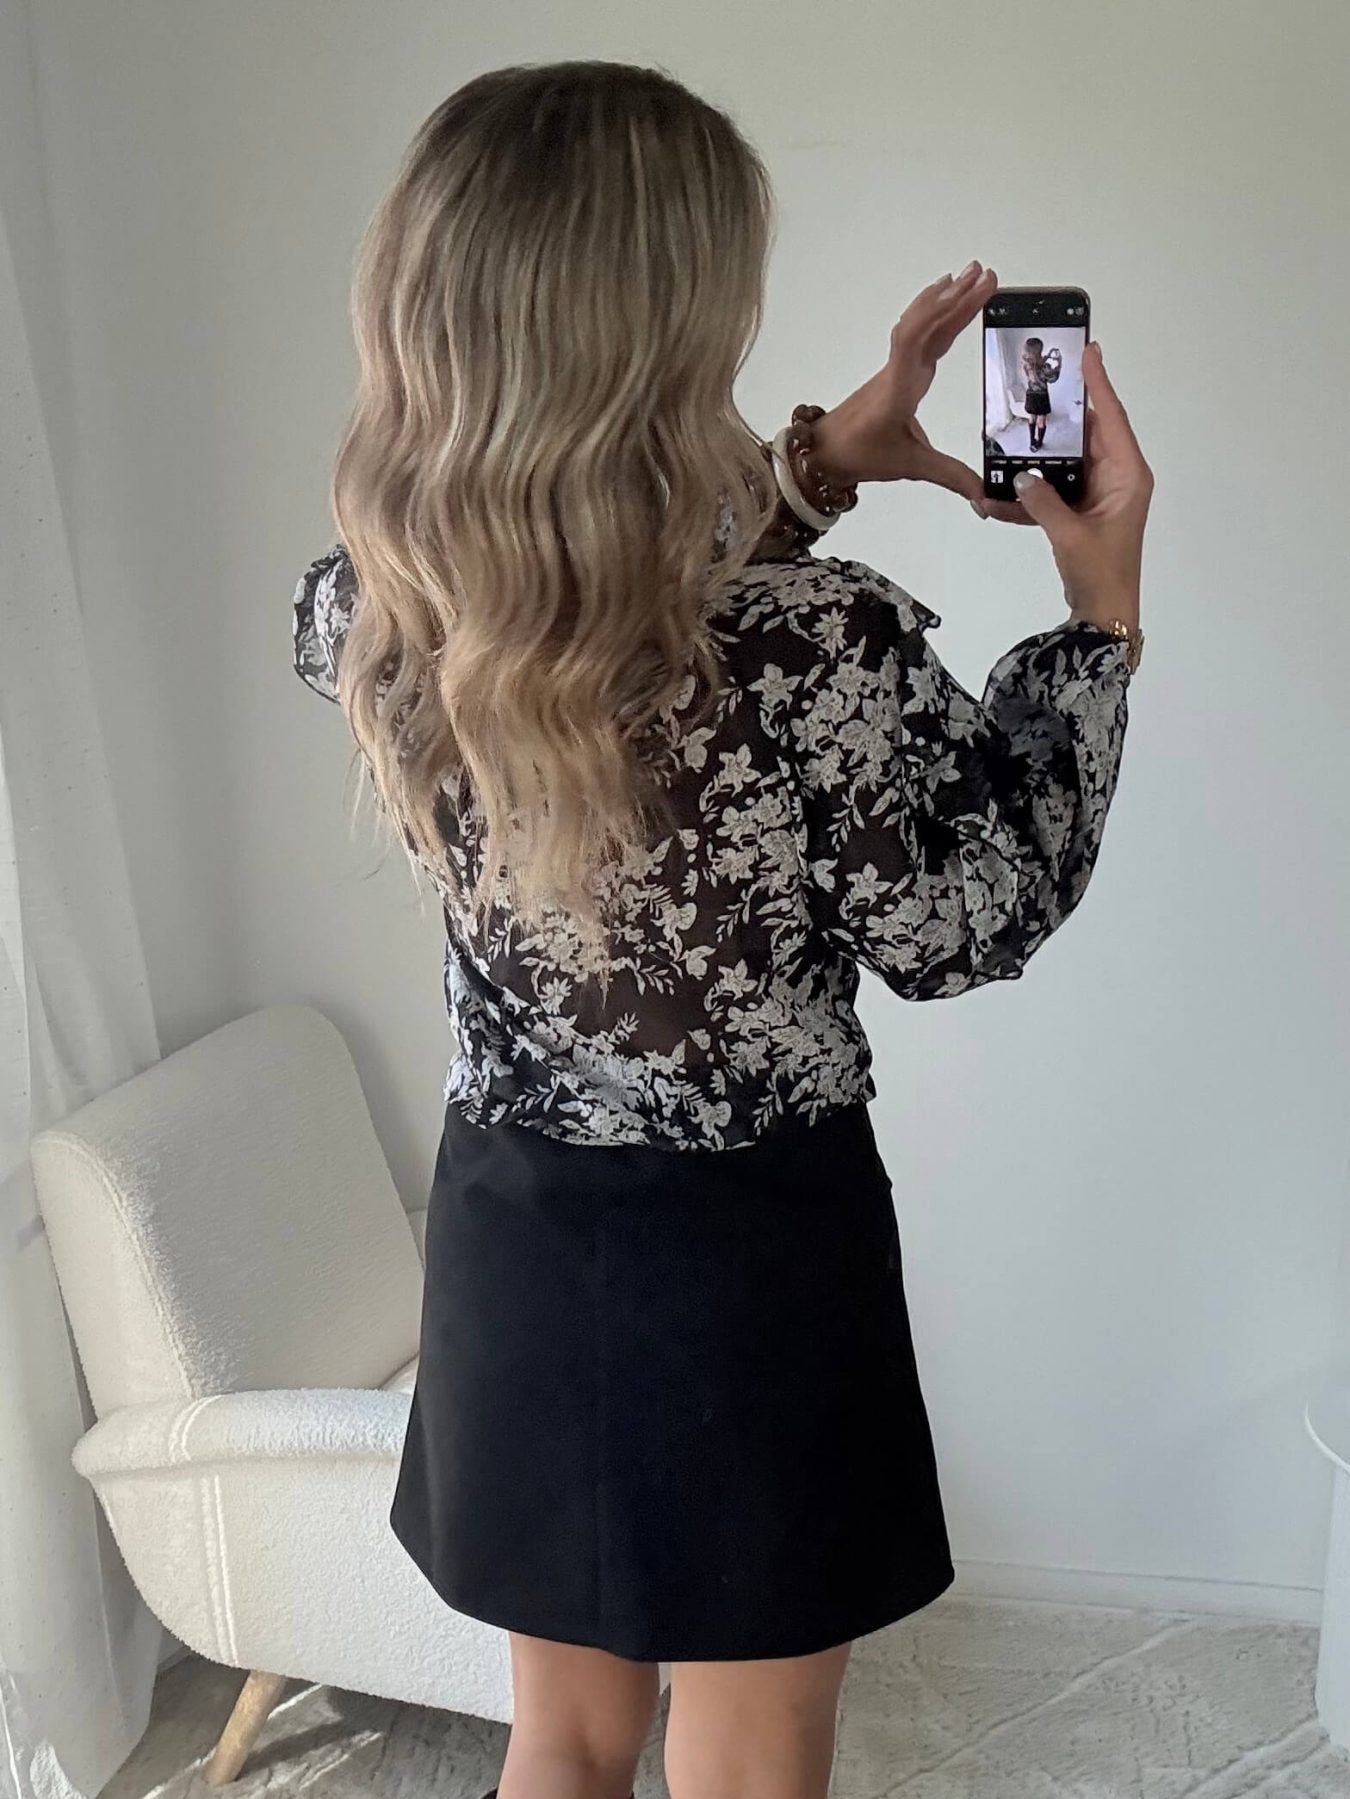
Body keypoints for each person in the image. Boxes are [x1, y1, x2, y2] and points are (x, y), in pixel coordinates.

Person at [291, 61, 1151, 1799]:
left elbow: (602, 608)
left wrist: (819, 464)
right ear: (672, 322)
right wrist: (1099, 603)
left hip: (514, 1239)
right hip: (750, 1257)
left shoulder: (370, 615)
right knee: (750, 1758)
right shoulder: (816, 647)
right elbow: (963, 920)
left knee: (563, 1736)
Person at [1021, 335, 1063, 451]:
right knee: (1041, 420)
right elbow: (1053, 378)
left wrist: (1048, 355)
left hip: (1030, 395)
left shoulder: (1025, 364)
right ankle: (1039, 443)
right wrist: (1059, 364)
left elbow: (1036, 364)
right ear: (1039, 350)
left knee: (1032, 417)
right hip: (1041, 397)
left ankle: (1031, 441)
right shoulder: (1045, 367)